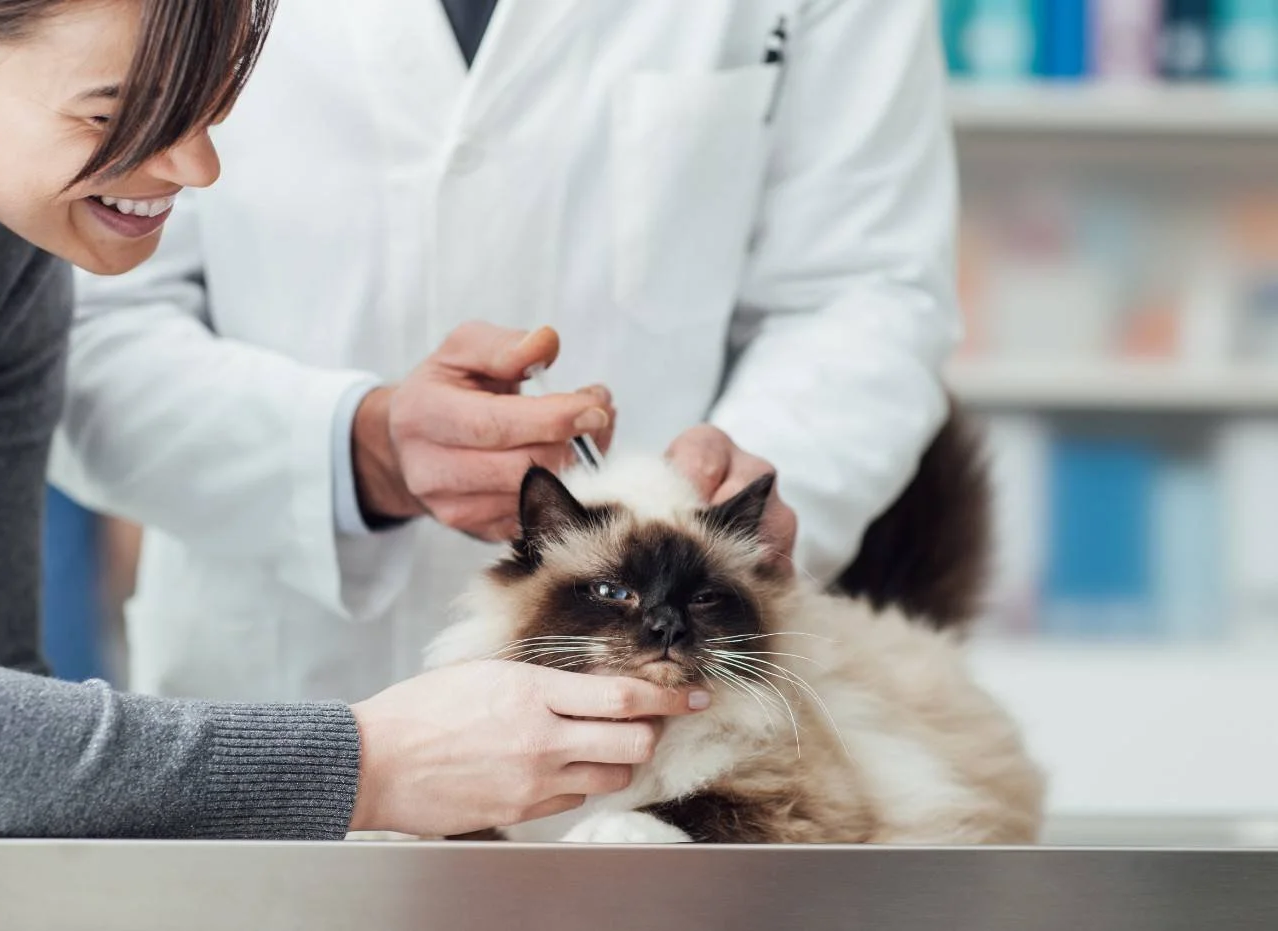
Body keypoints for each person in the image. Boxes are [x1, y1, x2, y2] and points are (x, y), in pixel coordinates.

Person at [0, 0, 703, 844]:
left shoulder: (2, 252)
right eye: (115, 114)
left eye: (204, 103)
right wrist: (363, 764)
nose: (195, 166)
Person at [50, 0, 959, 704]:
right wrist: (353, 448)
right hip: (278, 681)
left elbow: (865, 289)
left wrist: (730, 513)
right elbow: (80, 328)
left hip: (667, 706)